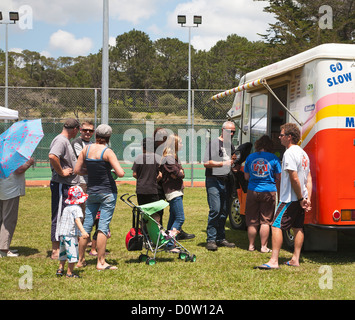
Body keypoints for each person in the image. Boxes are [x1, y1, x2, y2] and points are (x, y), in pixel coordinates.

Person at [255, 123, 312, 269]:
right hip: (300, 198)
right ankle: (295, 259)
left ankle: (273, 261)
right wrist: (307, 198)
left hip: (290, 199)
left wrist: (300, 198)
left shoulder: (290, 153)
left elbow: (294, 178)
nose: (279, 137)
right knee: (298, 227)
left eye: (281, 135)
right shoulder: (303, 153)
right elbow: (309, 178)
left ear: (289, 137)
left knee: (275, 226)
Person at [74, 124, 125, 271]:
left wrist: (91, 172)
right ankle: (101, 262)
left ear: (95, 135)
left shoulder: (86, 149)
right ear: (108, 138)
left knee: (86, 226)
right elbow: (120, 173)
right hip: (107, 191)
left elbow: (77, 170)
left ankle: (80, 260)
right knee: (103, 227)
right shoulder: (108, 152)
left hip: (92, 192)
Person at [49, 118, 81, 260]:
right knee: (59, 215)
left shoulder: (64, 140)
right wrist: (61, 172)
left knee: (65, 215)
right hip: (61, 183)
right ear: (75, 129)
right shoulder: (61, 140)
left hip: (67, 184)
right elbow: (52, 156)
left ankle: (62, 247)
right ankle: (55, 250)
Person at [203, 121, 238, 251]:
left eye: (234, 131)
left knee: (224, 211)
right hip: (214, 180)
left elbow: (232, 163)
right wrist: (224, 163)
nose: (232, 133)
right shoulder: (214, 143)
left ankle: (220, 238)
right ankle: (211, 239)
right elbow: (206, 163)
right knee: (215, 210)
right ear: (223, 130)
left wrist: (235, 165)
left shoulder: (230, 145)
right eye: (230, 131)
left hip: (227, 181)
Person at [244, 135, 281, 253]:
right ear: (270, 146)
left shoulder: (250, 157)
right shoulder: (274, 158)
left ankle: (251, 245)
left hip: (252, 190)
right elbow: (279, 176)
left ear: (258, 145)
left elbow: (246, 176)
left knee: (252, 220)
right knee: (265, 220)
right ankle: (263, 247)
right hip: (268, 191)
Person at [160, 134, 195, 252]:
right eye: (180, 142)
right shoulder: (169, 158)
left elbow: (180, 173)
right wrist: (179, 172)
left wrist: (179, 172)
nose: (182, 145)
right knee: (180, 218)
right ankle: (170, 244)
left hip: (177, 190)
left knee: (173, 217)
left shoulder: (173, 157)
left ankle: (167, 242)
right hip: (173, 192)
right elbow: (179, 174)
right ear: (174, 144)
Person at [0, 158, 34, 257]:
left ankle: (3, 246)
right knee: (9, 219)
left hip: (3, 187)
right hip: (10, 189)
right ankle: (3, 249)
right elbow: (19, 169)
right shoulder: (11, 153)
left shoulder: (2, 150)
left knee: (2, 218)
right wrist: (29, 162)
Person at [56, 185, 89, 278]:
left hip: (63, 234)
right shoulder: (77, 209)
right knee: (72, 254)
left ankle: (60, 269)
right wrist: (83, 231)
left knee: (63, 253)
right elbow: (77, 220)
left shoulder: (66, 208)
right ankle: (69, 273)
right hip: (70, 235)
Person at [132, 137, 161, 206]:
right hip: (153, 189)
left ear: (143, 147)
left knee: (143, 211)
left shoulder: (139, 157)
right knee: (154, 212)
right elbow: (160, 175)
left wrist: (142, 179)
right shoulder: (158, 158)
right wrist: (154, 180)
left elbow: (134, 174)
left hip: (141, 190)